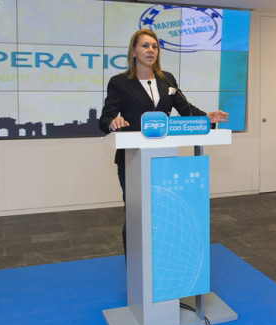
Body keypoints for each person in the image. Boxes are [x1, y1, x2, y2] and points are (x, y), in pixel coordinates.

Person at [98, 29, 229, 251]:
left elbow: (186, 109)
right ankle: (135, 263)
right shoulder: (119, 82)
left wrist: (207, 118)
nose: (151, 50)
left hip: (164, 158)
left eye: (155, 46)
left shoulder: (166, 79)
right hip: (132, 159)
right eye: (145, 46)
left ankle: (161, 257)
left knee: (164, 211)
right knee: (135, 212)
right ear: (133, 51)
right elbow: (105, 119)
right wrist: (113, 122)